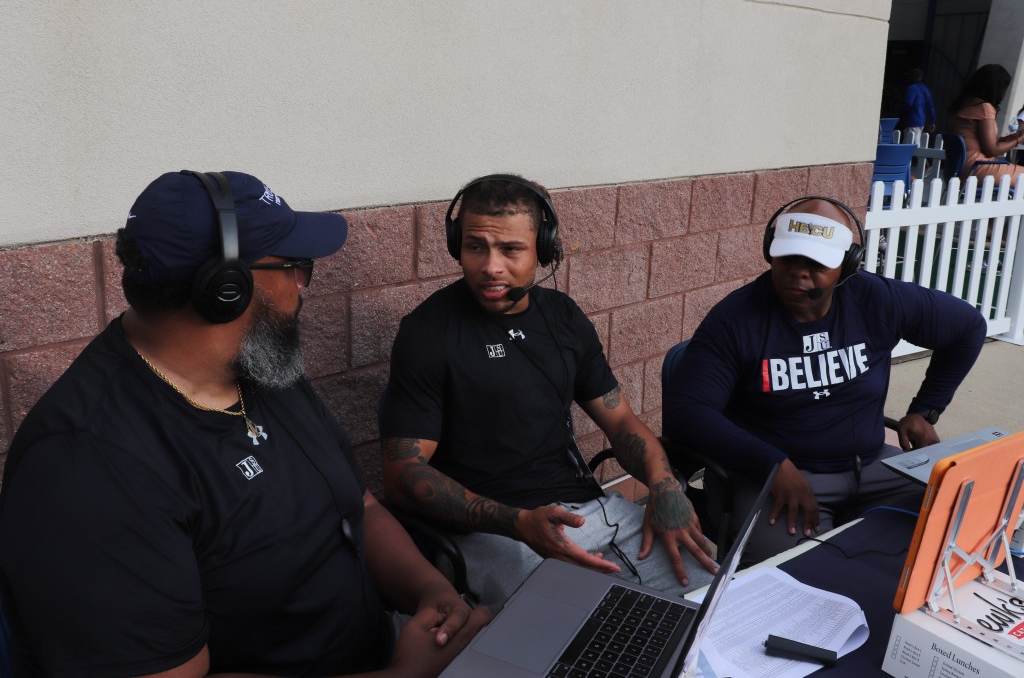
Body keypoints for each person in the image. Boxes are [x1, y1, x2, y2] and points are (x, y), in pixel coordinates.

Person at [0, 170, 488, 677]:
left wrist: (431, 591)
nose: (303, 285)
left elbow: (356, 505)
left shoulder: (262, 366)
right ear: (226, 287)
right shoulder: (89, 465)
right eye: (297, 267)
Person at [380, 174, 718, 611]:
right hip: (494, 530)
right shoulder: (427, 333)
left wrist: (663, 484)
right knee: (573, 632)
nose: (490, 266)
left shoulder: (563, 317)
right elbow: (403, 475)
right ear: (455, 244)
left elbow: (620, 420)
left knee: (708, 593)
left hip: (588, 511)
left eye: (511, 249)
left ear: (543, 249)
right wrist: (517, 523)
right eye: (475, 246)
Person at [663, 196, 987, 565]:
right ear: (771, 252)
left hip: (872, 464)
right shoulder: (736, 319)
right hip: (781, 477)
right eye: (788, 259)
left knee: (959, 524)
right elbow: (687, 411)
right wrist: (772, 463)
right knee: (788, 580)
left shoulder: (876, 299)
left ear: (846, 266)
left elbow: (967, 327)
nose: (798, 273)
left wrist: (925, 409)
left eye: (816, 264)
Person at [948, 63, 1024, 181]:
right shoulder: (984, 108)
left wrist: (1012, 138)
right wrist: (1018, 140)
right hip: (978, 167)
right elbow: (991, 150)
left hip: (958, 168)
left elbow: (984, 142)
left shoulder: (963, 104)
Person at [899, 68, 936, 147]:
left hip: (912, 120)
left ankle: (923, 159)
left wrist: (900, 112)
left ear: (913, 77)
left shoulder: (911, 88)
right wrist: (932, 121)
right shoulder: (925, 89)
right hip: (921, 120)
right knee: (913, 142)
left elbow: (908, 103)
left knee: (911, 145)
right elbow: (931, 106)